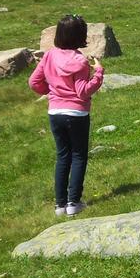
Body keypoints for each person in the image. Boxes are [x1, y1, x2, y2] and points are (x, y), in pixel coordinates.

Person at [29, 14, 104, 217]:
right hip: (77, 113)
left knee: (63, 156)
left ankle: (59, 205)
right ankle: (74, 202)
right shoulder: (80, 61)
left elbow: (34, 82)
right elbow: (83, 91)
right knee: (79, 155)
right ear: (81, 36)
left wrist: (53, 93)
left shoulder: (50, 55)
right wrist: (98, 72)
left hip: (55, 112)